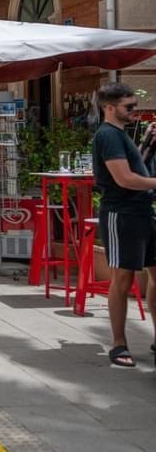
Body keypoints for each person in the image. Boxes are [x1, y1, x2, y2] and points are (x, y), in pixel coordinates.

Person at [91, 83, 156, 367]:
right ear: (109, 108)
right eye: (128, 107)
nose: (134, 111)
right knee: (122, 280)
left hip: (142, 212)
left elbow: (135, 168)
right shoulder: (108, 135)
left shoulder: (120, 135)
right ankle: (118, 344)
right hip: (122, 214)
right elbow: (125, 180)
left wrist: (146, 146)